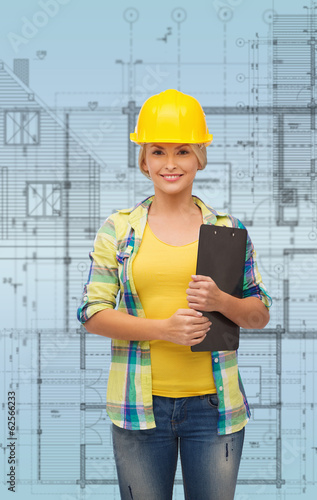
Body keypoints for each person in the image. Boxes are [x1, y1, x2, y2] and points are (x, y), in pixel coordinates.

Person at [76, 88, 272, 500]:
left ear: (199, 158)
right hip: (139, 408)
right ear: (144, 161)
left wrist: (222, 302)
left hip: (214, 409)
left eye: (182, 151)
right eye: (158, 151)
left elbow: (258, 313)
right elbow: (92, 313)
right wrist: (162, 329)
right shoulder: (120, 229)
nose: (170, 163)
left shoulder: (228, 231)